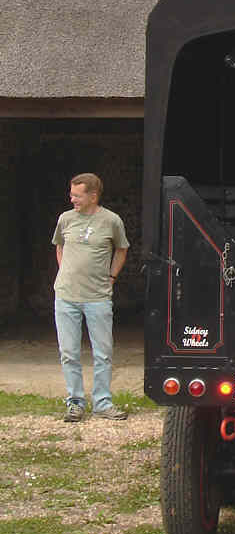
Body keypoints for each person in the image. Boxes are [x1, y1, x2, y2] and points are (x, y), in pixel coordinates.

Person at [52, 173, 130, 422]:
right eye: (72, 193)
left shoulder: (111, 221)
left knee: (102, 353)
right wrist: (64, 272)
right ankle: (75, 402)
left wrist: (111, 277)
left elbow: (122, 249)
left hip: (98, 298)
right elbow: (59, 245)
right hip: (66, 297)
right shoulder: (65, 219)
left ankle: (102, 403)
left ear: (93, 196)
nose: (71, 198)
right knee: (69, 352)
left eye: (77, 194)